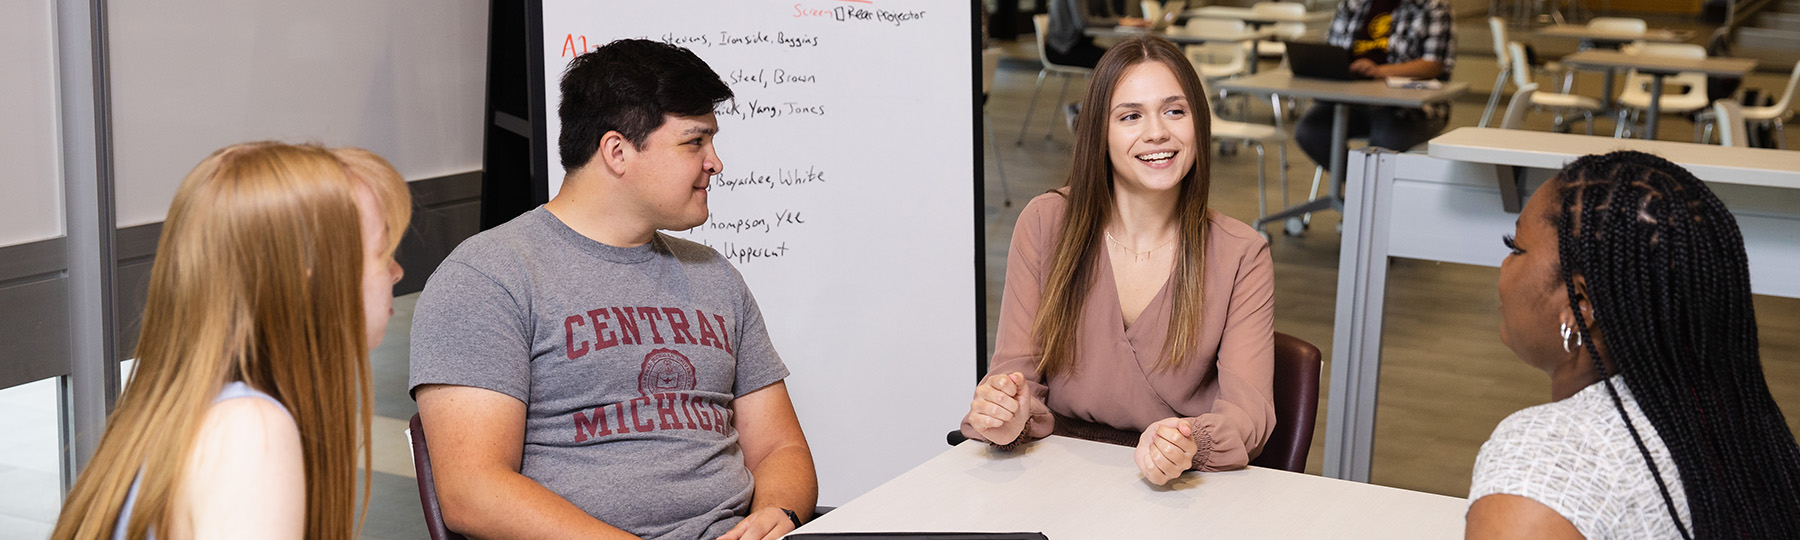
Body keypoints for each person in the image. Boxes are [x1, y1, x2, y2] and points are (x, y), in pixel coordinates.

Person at [409, 39, 817, 540]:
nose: (715, 163)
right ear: (617, 152)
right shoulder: (487, 277)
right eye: (695, 142)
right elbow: (472, 492)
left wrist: (779, 515)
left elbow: (780, 449)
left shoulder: (714, 275)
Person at [49, 142, 412, 540]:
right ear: (308, 277)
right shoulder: (250, 432)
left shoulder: (190, 412)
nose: (397, 271)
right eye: (382, 253)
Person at [960, 35, 1276, 485]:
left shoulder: (1241, 253)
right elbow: (1016, 376)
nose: (1157, 133)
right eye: (1131, 116)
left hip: (1181, 484)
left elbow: (1249, 415)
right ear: (1099, 134)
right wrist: (1008, 414)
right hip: (1053, 472)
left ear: (1198, 123)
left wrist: (1186, 442)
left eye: (1174, 111)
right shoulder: (1045, 223)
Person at [1467, 151, 1800, 539]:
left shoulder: (1551, 458)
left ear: (1580, 305)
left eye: (1515, 247)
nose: (1503, 266)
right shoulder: (1744, 431)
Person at [1292, 0, 1456, 169]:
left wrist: (1379, 71)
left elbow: (1433, 64)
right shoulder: (1353, 4)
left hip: (1410, 109)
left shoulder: (1433, 7)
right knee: (1310, 131)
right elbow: (1332, 50)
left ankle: (1369, 186)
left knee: (1386, 141)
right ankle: (1359, 185)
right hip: (1351, 102)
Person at [1046, 0, 1149, 69]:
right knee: (1116, 62)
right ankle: (1102, 101)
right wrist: (1120, 22)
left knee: (1121, 57)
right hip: (1062, 49)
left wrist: (1129, 21)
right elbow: (1083, 22)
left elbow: (1110, 16)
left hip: (1082, 45)